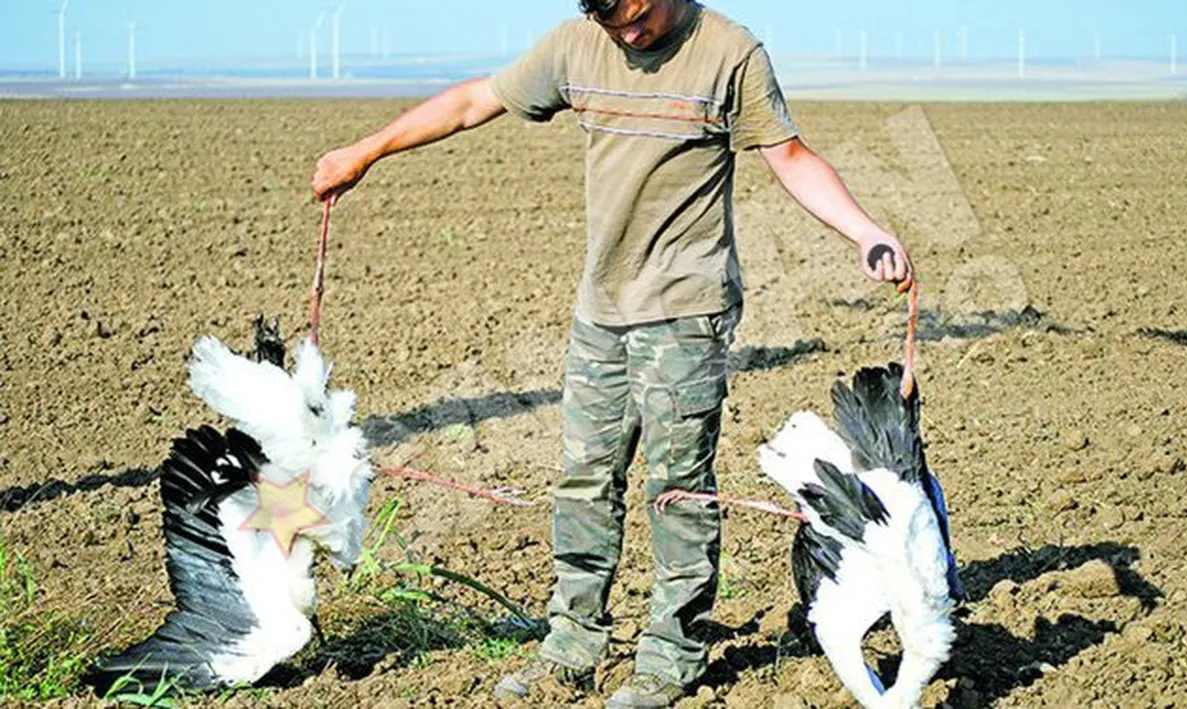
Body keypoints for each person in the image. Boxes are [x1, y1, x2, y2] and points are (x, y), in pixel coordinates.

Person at [311, 0, 912, 705]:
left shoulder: (730, 54)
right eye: (610, 21)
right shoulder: (576, 46)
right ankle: (571, 644)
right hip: (600, 311)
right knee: (583, 480)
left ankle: (670, 656)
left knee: (677, 487)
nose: (628, 35)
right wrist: (365, 151)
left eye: (638, 15)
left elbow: (791, 156)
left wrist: (867, 231)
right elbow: (476, 101)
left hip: (688, 313)